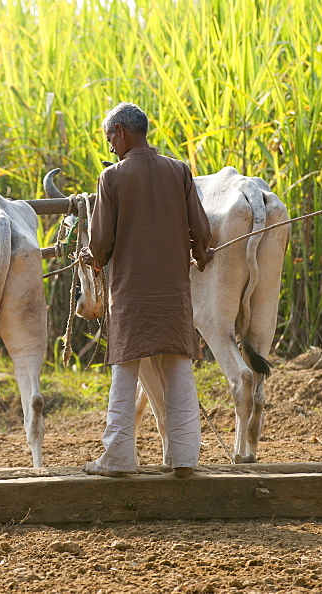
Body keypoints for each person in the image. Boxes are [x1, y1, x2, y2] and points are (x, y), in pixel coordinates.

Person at [79, 102, 214, 478]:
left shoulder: (112, 180)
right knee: (179, 372)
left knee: (125, 372)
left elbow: (102, 242)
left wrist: (94, 257)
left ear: (121, 132)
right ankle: (185, 458)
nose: (110, 148)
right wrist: (202, 256)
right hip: (173, 295)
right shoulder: (179, 171)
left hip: (131, 296)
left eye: (110, 138)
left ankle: (118, 458)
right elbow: (201, 234)